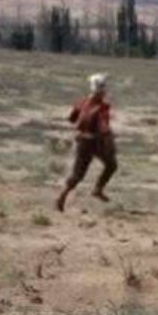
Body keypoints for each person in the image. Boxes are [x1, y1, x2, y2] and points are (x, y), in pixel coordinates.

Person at [56, 73, 117, 212]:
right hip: (96, 142)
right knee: (111, 165)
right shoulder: (102, 107)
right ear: (102, 90)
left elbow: (72, 119)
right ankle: (98, 189)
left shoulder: (82, 102)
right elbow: (104, 128)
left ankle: (61, 197)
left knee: (78, 174)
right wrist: (110, 137)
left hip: (82, 141)